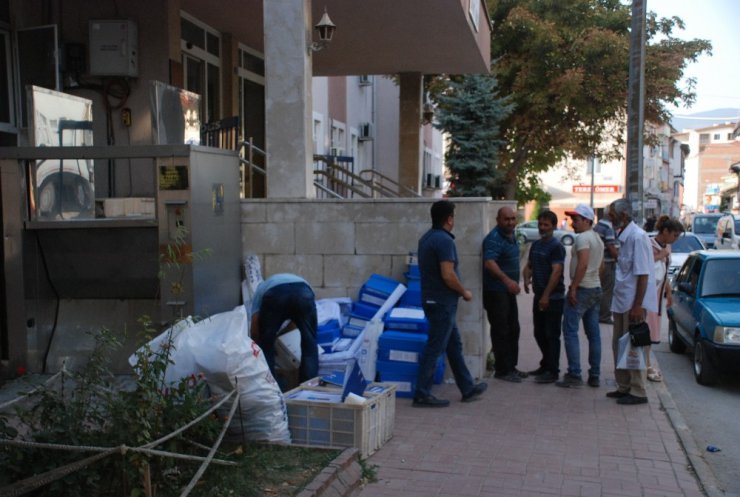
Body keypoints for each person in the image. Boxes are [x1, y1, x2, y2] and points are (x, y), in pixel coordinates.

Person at [413, 200, 487, 407]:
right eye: (453, 216)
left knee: (454, 346)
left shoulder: (426, 238)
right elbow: (448, 274)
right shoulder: (444, 241)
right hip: (442, 303)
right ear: (449, 219)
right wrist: (464, 292)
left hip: (434, 301)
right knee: (435, 347)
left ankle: (467, 388)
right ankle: (421, 394)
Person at [607, 199, 657, 405]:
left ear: (624, 216)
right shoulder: (625, 236)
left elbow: (643, 275)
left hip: (632, 305)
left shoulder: (638, 237)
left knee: (635, 347)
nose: (609, 218)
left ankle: (638, 391)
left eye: (612, 214)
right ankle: (624, 386)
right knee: (619, 346)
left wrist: (638, 305)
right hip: (621, 302)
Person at [556, 204, 604, 388]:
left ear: (587, 221)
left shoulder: (583, 238)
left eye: (576, 219)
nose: (572, 222)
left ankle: (575, 374)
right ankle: (595, 374)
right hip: (595, 288)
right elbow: (601, 267)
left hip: (583, 289)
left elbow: (583, 264)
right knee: (593, 334)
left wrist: (574, 288)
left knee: (570, 330)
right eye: (572, 219)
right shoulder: (597, 239)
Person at [483, 206, 527, 383]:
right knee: (501, 330)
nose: (510, 222)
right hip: (496, 291)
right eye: (506, 219)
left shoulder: (512, 236)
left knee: (513, 328)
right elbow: (489, 263)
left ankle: (511, 367)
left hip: (507, 292)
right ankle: (502, 369)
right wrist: (507, 281)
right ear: (498, 220)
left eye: (513, 219)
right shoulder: (494, 238)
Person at [250, 273, 319, 384]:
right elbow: (297, 321)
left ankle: (270, 388)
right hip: (303, 291)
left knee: (266, 345)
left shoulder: (260, 290)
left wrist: (256, 345)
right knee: (309, 344)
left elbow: (254, 323)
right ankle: (309, 388)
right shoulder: (299, 282)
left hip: (275, 294)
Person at [522, 210, 566, 384]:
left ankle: (553, 370)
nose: (542, 228)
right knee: (538, 332)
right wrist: (526, 279)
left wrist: (547, 295)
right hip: (539, 295)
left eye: (546, 225)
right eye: (540, 224)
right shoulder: (537, 245)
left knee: (551, 334)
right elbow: (530, 265)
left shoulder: (557, 247)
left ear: (554, 227)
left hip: (553, 298)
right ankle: (545, 363)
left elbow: (557, 272)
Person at [645, 216, 684, 382]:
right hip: (647, 294)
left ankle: (645, 364)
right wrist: (660, 255)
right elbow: (643, 264)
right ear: (665, 231)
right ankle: (645, 365)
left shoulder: (667, 247)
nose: (675, 239)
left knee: (651, 330)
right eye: (674, 235)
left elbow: (665, 270)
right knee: (645, 330)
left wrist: (668, 292)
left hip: (658, 293)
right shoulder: (649, 244)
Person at [593, 214, 619, 324]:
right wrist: (619, 258)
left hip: (599, 261)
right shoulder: (608, 228)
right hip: (607, 263)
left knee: (600, 288)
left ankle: (596, 313)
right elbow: (611, 246)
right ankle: (604, 316)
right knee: (607, 290)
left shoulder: (598, 226)